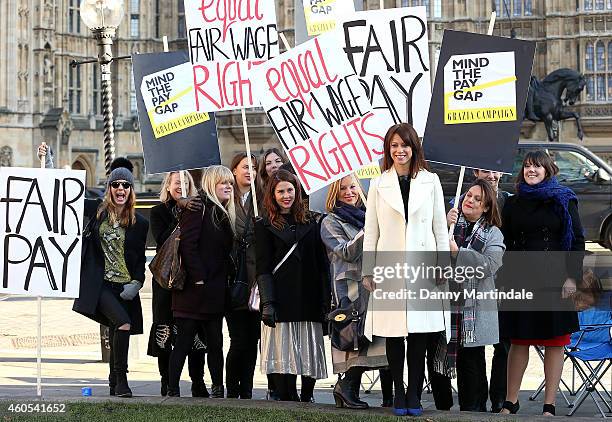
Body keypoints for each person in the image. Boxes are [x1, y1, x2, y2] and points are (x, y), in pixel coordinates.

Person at [361, 123, 450, 416]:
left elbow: (440, 228)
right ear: (388, 149)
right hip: (390, 267)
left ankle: (414, 392)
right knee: (394, 332)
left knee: (419, 333)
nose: (400, 151)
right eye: (394, 146)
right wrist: (368, 270)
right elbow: (371, 231)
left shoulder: (431, 181)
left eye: (405, 145)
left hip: (424, 268)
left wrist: (442, 266)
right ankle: (399, 391)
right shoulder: (378, 183)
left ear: (414, 148)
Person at [498, 150, 585, 416]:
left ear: (548, 170)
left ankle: (550, 404)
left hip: (555, 279)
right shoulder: (513, 203)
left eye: (536, 166)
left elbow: (577, 241)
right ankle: (511, 401)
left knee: (555, 342)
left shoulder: (564, 200)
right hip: (520, 278)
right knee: (518, 340)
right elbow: (506, 241)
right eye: (526, 166)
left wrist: (572, 277)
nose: (531, 170)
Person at [73, 167, 149, 398]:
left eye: (125, 185)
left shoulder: (140, 223)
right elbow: (67, 194)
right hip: (100, 285)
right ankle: (122, 378)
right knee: (123, 323)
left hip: (125, 286)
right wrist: (49, 163)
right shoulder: (97, 210)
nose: (120, 189)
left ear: (131, 190)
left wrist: (137, 282)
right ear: (109, 188)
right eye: (116, 184)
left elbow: (138, 258)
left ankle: (113, 381)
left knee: (119, 327)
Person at [256, 169, 329, 402]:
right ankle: (287, 397)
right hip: (280, 296)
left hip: (308, 293)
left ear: (297, 191)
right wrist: (268, 302)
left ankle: (307, 396)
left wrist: (325, 299)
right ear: (272, 194)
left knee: (309, 350)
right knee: (282, 352)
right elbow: (263, 268)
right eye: (281, 191)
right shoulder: (264, 224)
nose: (286, 195)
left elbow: (322, 264)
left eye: (290, 190)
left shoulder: (312, 220)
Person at [446, 168, 511, 413]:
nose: (470, 200)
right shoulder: (450, 227)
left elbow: (489, 265)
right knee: (459, 360)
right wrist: (443, 226)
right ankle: (465, 407)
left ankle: (476, 408)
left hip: (476, 309)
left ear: (485, 207)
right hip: (448, 303)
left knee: (473, 359)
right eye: (468, 196)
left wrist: (458, 253)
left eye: (477, 199)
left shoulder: (493, 233)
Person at [168, 165, 236, 398]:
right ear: (210, 184)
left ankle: (218, 387)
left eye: (230, 183)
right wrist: (198, 279)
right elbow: (187, 245)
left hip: (215, 287)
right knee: (185, 341)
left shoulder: (224, 211)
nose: (228, 186)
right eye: (222, 183)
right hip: (193, 288)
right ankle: (173, 388)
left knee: (216, 341)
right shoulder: (199, 208)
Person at [320, 175, 388, 410]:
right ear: (335, 194)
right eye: (343, 189)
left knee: (380, 339)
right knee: (354, 340)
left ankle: (388, 396)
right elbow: (345, 252)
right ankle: (346, 388)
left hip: (376, 285)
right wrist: (369, 229)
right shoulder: (330, 221)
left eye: (353, 187)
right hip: (350, 290)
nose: (349, 192)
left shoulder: (369, 215)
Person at [147, 171, 210, 397]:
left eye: (186, 183)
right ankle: (166, 380)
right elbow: (163, 238)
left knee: (194, 332)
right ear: (168, 186)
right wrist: (181, 210)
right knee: (164, 331)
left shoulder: (199, 209)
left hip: (189, 280)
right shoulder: (158, 211)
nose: (181, 187)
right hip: (166, 281)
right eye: (177, 183)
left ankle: (198, 380)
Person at [226, 153, 261, 399]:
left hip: (257, 281)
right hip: (233, 279)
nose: (250, 171)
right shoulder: (227, 198)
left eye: (254, 168)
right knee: (238, 340)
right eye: (245, 167)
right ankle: (232, 387)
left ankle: (247, 389)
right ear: (235, 170)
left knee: (253, 341)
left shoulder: (261, 200)